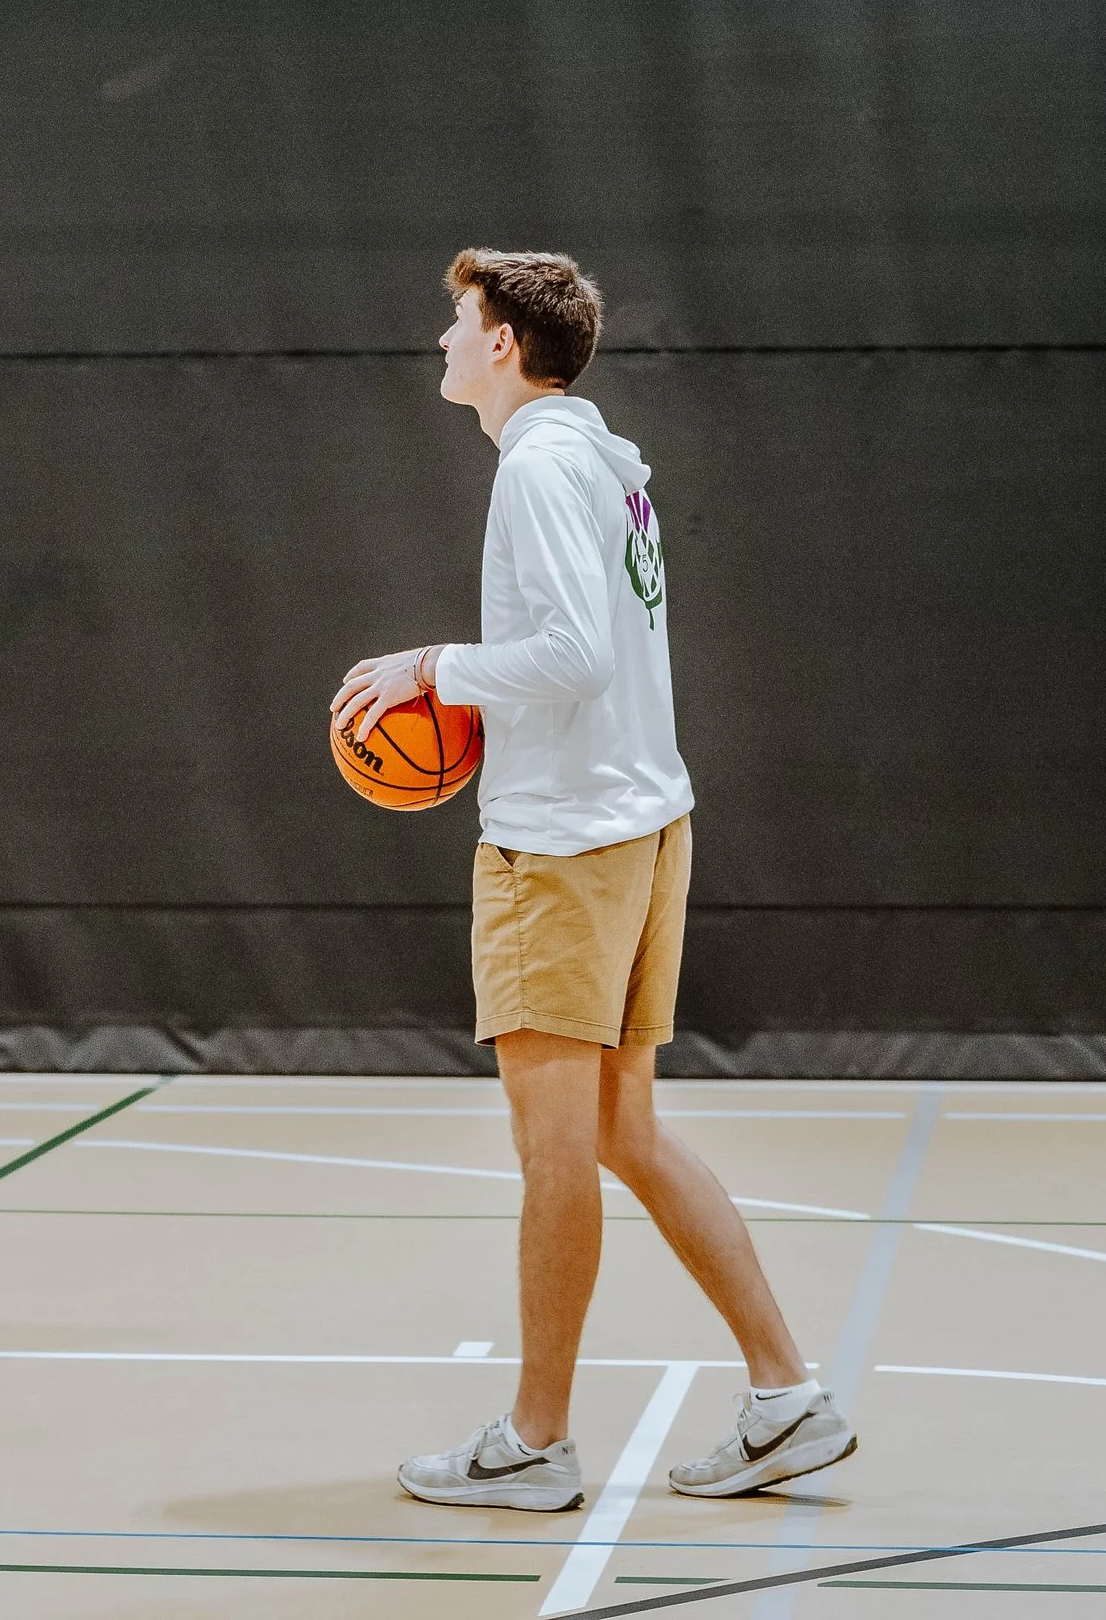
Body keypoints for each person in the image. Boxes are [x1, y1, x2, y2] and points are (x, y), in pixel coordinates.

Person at [333, 249, 853, 1511]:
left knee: (555, 1151)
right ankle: (786, 1395)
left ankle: (535, 1438)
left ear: (505, 342)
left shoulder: (540, 468)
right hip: (641, 820)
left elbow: (562, 653)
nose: (444, 342)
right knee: (624, 1130)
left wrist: (430, 668)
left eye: (458, 322)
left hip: (564, 843)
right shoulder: (602, 462)